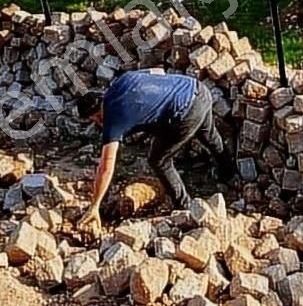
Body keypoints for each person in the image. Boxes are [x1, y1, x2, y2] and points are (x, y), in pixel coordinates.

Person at [75, 70, 230, 233]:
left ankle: (184, 208)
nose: (99, 124)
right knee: (210, 136)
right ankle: (229, 173)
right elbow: (157, 71)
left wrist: (95, 206)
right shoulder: (122, 81)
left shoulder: (113, 120)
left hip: (186, 112)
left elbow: (106, 167)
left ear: (97, 114)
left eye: (96, 120)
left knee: (158, 160)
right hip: (197, 90)